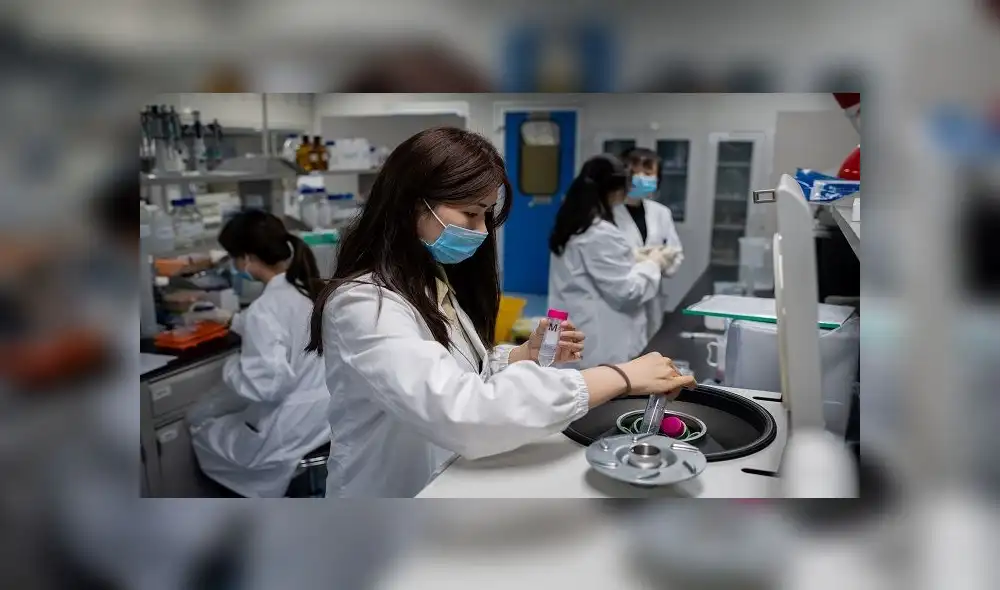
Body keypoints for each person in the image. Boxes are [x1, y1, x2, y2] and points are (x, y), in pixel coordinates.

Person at [308, 128, 695, 498]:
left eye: (486, 216)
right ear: (412, 204)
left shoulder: (426, 281)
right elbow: (460, 411)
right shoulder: (363, 305)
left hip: (444, 483)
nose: (481, 231)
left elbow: (456, 370)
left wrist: (519, 355)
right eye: (471, 214)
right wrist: (617, 376)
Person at [189, 210, 331, 498]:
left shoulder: (265, 309)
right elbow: (284, 329)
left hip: (291, 429)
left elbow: (266, 385)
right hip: (325, 418)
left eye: (233, 257)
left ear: (247, 258)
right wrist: (227, 318)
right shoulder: (307, 290)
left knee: (201, 426)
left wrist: (231, 366)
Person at [548, 154, 678, 367]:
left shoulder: (574, 222)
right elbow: (627, 293)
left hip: (569, 322)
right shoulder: (601, 233)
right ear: (616, 191)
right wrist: (653, 262)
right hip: (597, 340)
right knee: (599, 391)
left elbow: (590, 264)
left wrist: (634, 257)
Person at [612, 147, 684, 340]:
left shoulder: (661, 212)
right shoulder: (608, 213)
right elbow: (609, 260)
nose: (640, 176)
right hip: (620, 301)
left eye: (648, 171)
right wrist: (643, 258)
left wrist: (662, 261)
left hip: (652, 299)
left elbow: (675, 253)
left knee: (651, 349)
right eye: (634, 171)